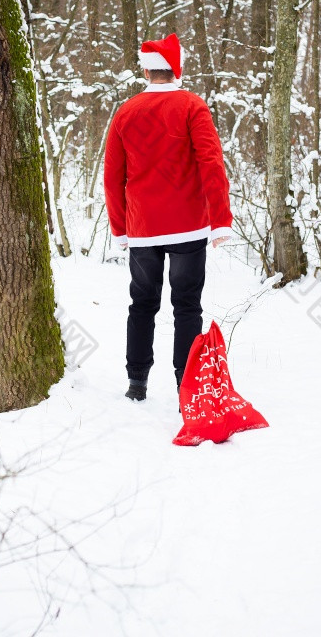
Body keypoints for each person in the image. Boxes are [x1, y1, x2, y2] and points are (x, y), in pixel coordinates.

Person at [103, 33, 233, 402]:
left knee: (142, 303)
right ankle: (186, 387)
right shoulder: (193, 106)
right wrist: (220, 218)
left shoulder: (126, 112)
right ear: (177, 68)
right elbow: (211, 164)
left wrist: (120, 228)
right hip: (188, 225)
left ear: (146, 69)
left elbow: (113, 177)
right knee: (187, 305)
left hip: (144, 228)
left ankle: (136, 384)